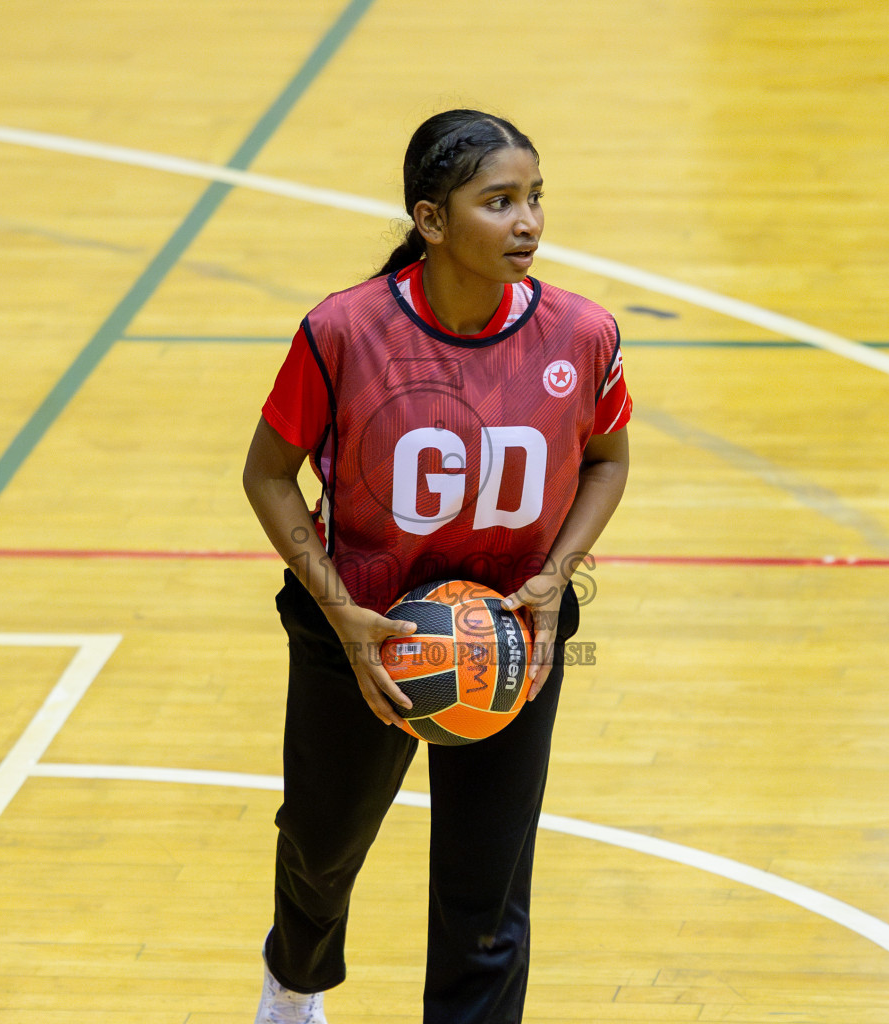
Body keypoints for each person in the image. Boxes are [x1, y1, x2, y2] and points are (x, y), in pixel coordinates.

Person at [241, 108, 631, 1024]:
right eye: (499, 202)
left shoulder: (583, 335)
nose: (528, 221)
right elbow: (267, 475)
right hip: (365, 628)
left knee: (486, 891)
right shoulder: (343, 332)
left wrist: (556, 577)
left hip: (509, 635)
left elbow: (609, 460)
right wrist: (339, 614)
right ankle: (293, 983)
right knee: (321, 843)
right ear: (430, 219)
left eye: (535, 198)